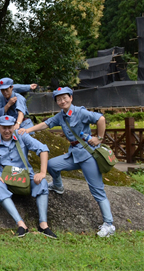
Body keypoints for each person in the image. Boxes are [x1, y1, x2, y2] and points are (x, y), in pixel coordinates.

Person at [19, 87, 115, 237]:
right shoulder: (61, 116)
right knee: (51, 165)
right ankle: (58, 186)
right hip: (73, 154)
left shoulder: (80, 112)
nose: (62, 101)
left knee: (97, 190)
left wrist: (100, 138)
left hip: (87, 155)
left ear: (71, 98)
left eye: (64, 98)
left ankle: (109, 224)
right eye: (59, 99)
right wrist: (28, 130)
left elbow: (100, 119)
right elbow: (46, 124)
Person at [0, 115, 57, 239]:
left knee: (43, 183)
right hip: (5, 178)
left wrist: (42, 172)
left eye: (9, 127)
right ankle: (21, 224)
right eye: (4, 128)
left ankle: (43, 225)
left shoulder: (21, 135)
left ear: (14, 126)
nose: (7, 131)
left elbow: (43, 149)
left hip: (25, 176)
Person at [0, 69, 37, 147]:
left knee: (25, 146)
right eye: (2, 90)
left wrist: (17, 124)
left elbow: (20, 112)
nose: (5, 92)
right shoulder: (1, 97)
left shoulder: (18, 97)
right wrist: (8, 105)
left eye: (6, 89)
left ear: (11, 88)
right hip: (11, 125)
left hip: (23, 125)